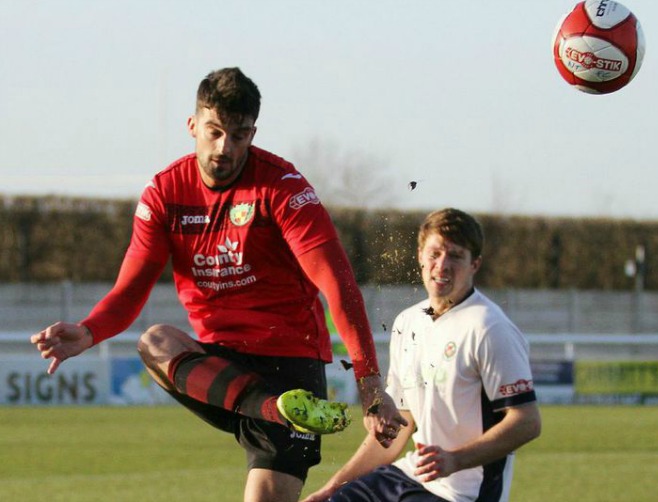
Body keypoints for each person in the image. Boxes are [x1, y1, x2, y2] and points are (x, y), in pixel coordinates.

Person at [30, 67, 404, 502]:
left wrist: (370, 383)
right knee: (155, 341)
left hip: (289, 364)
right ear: (193, 126)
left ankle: (285, 410)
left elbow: (336, 284)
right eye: (215, 132)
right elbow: (131, 289)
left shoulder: (283, 188)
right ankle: (274, 412)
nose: (226, 147)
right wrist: (89, 331)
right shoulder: (165, 193)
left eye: (240, 135)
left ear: (253, 132)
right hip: (220, 371)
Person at [305, 208, 541, 502]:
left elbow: (527, 422)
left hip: (462, 494)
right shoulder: (408, 322)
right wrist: (333, 488)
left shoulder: (489, 328)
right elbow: (400, 423)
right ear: (420, 255)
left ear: (474, 264)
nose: (442, 265)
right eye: (435, 253)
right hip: (409, 475)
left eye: (455, 256)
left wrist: (455, 460)